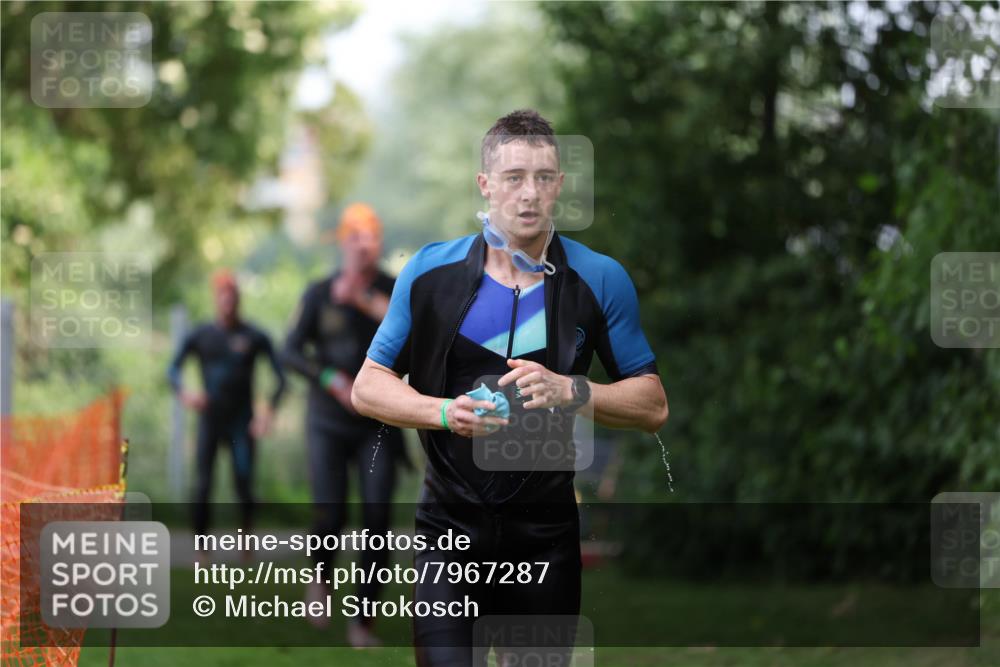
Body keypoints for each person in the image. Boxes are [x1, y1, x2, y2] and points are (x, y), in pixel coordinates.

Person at [353, 109, 669, 666]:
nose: (529, 193)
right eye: (514, 177)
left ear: (560, 187)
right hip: (448, 534)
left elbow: (653, 404)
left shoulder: (598, 279)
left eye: (543, 178)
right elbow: (368, 388)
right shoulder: (430, 274)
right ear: (485, 185)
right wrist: (446, 412)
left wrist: (575, 390)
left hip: (544, 537)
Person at [283, 203, 407, 646]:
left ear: (378, 242)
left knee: (377, 518)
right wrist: (329, 378)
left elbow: (412, 340)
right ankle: (320, 578)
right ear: (343, 242)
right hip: (328, 422)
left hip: (377, 422)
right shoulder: (318, 293)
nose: (362, 245)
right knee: (330, 511)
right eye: (354, 237)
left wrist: (363, 301)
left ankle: (362, 622)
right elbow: (290, 351)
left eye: (369, 237)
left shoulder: (393, 292)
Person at [167, 269, 286, 548]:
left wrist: (266, 412)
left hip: (242, 423)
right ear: (216, 299)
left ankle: (246, 543)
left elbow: (281, 378)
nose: (228, 302)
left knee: (244, 485)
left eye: (232, 297)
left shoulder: (254, 335)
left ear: (239, 300)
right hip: (210, 419)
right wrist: (187, 394)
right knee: (203, 485)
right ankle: (201, 550)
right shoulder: (201, 335)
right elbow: (173, 370)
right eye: (223, 296)